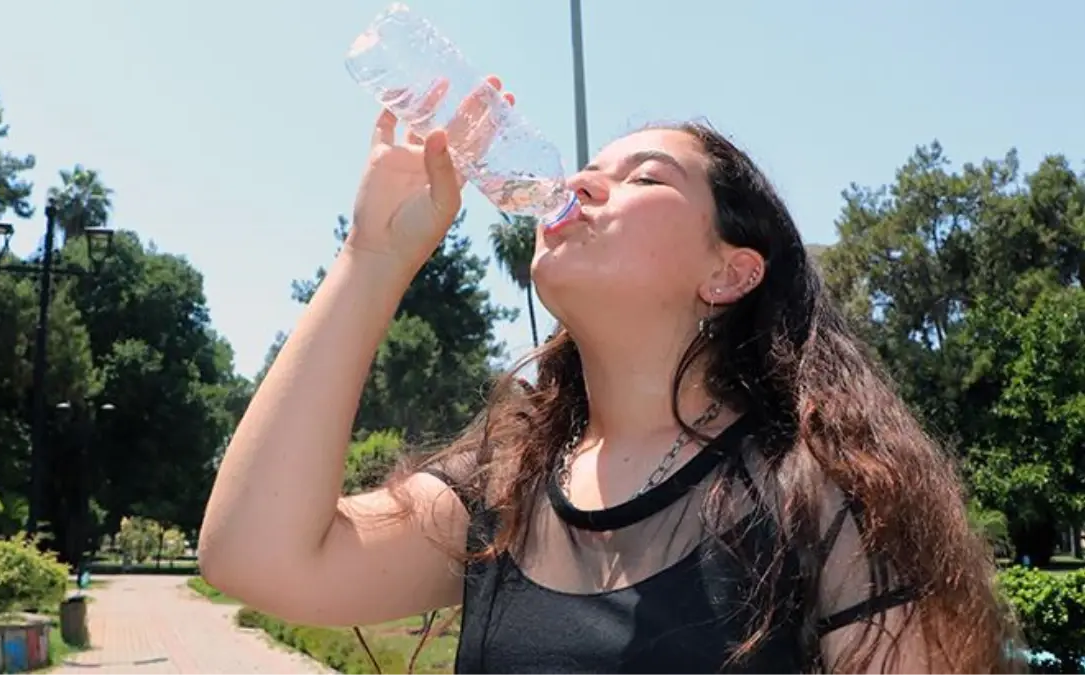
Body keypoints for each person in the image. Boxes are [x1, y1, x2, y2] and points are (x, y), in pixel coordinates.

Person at [198, 77, 1021, 674]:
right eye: (590, 167)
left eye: (644, 177)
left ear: (730, 274)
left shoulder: (826, 497)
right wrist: (370, 259)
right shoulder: (506, 487)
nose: (578, 182)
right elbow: (254, 557)